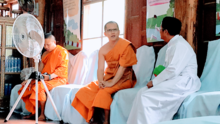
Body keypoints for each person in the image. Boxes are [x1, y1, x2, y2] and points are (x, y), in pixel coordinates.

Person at [127, 17, 201, 124]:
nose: (159, 31)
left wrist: (154, 82)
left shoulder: (180, 45)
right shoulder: (173, 44)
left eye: (160, 29)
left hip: (184, 81)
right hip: (176, 79)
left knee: (145, 96)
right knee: (141, 92)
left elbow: (173, 70)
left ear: (165, 31)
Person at [71, 21, 137, 124]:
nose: (112, 32)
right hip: (108, 77)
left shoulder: (126, 46)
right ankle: (94, 118)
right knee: (85, 91)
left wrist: (111, 83)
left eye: (115, 29)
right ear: (105, 33)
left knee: (104, 91)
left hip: (125, 78)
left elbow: (122, 68)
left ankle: (105, 121)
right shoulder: (103, 49)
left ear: (119, 31)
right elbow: (100, 69)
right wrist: (101, 81)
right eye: (109, 30)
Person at [18, 33, 69, 121]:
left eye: (48, 44)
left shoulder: (62, 51)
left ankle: (42, 114)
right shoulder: (45, 53)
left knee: (39, 86)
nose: (46, 46)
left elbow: (62, 69)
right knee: (27, 86)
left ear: (54, 42)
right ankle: (34, 112)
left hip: (58, 79)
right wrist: (30, 80)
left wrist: (49, 77)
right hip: (44, 77)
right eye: (44, 44)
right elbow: (40, 70)